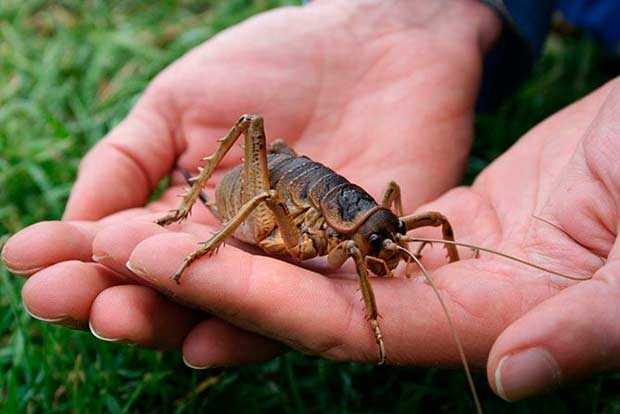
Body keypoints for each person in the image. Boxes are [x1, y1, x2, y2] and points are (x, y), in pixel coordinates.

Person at [2, 0, 619, 402]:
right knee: (254, 137)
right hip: (253, 195)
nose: (384, 251)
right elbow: (265, 208)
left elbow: (417, 226)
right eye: (379, 239)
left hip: (319, 190)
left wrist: (445, 263)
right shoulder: (314, 235)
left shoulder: (379, 222)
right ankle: (185, 211)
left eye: (384, 236)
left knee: (387, 228)